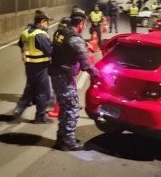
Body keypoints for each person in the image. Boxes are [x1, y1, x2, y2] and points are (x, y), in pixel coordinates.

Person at [49, 10, 100, 151]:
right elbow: (86, 64)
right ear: (82, 23)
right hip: (64, 78)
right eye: (84, 24)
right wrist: (98, 74)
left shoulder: (60, 32)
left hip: (55, 73)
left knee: (65, 108)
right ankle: (69, 142)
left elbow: (66, 46)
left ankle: (62, 137)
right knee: (72, 109)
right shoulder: (75, 39)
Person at [11, 11, 54, 123]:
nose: (48, 25)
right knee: (44, 92)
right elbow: (49, 51)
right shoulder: (40, 35)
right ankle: (40, 117)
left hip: (29, 65)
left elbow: (21, 44)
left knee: (31, 88)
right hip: (40, 66)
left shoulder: (25, 32)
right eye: (47, 22)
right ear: (42, 22)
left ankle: (19, 109)